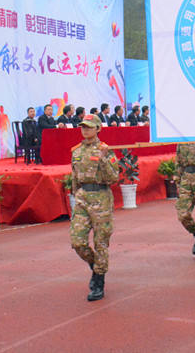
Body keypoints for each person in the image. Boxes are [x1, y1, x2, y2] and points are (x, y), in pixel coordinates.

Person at [69, 115, 119, 302]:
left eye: (89, 127)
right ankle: (95, 265)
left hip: (101, 198)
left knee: (101, 242)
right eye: (83, 126)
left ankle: (99, 280)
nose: (85, 130)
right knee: (78, 241)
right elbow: (74, 177)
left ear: (98, 128)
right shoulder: (76, 151)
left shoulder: (106, 151)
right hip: (82, 198)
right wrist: (76, 194)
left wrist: (104, 159)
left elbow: (114, 178)